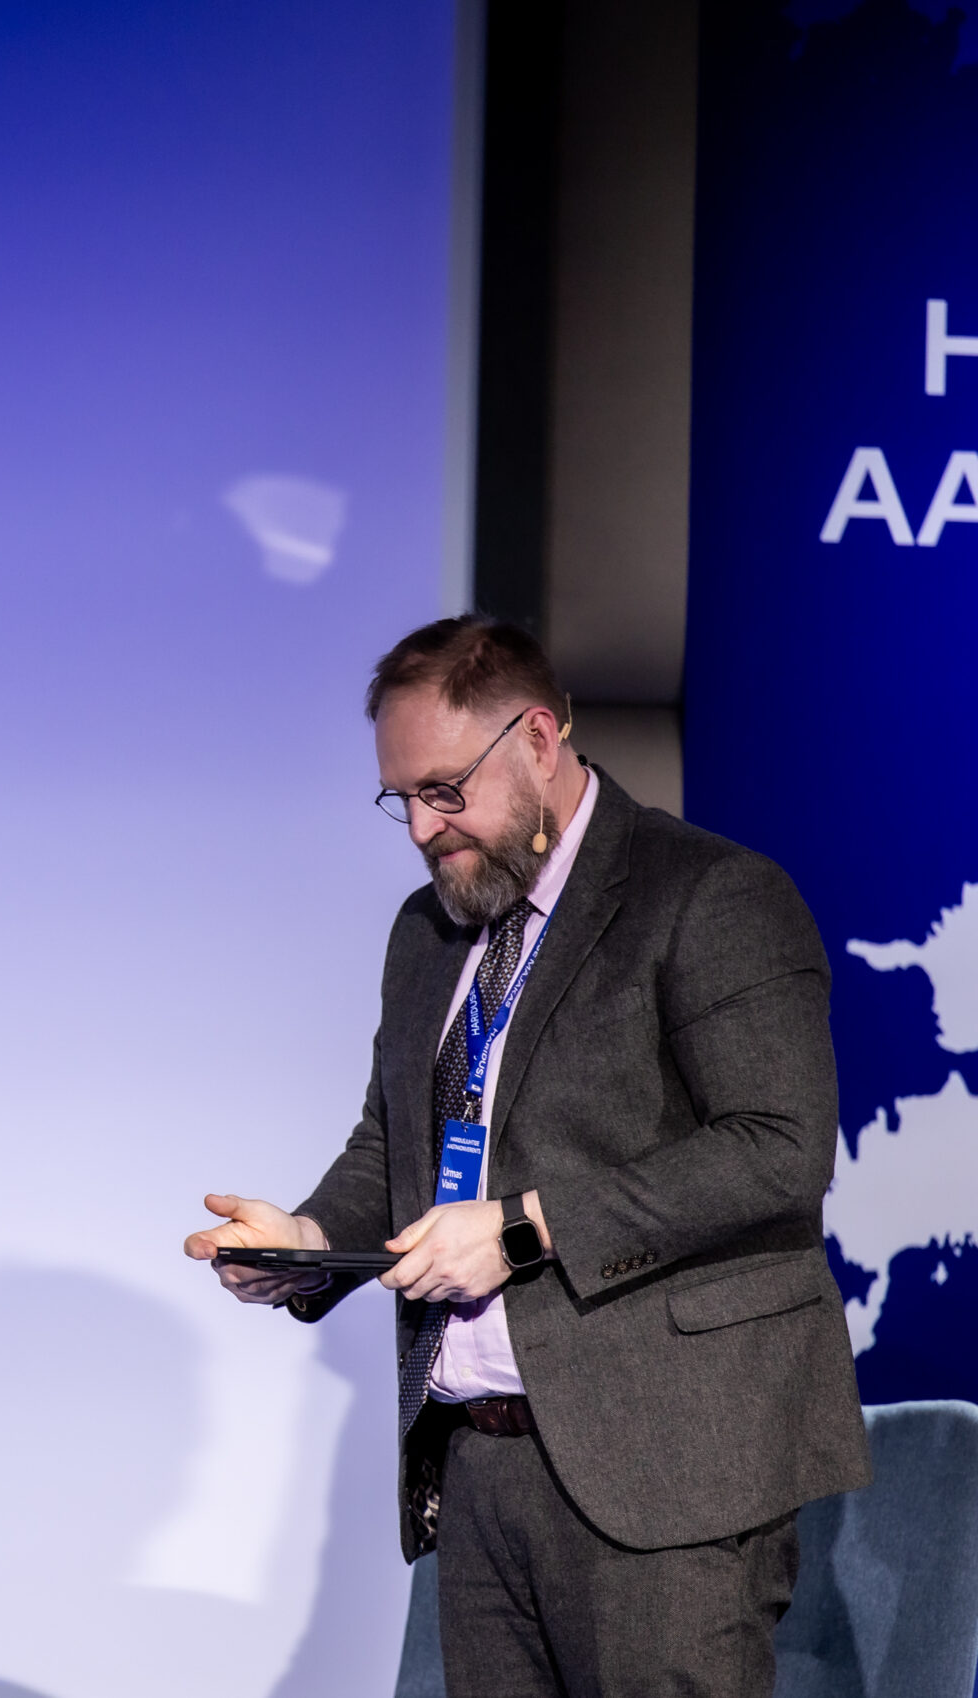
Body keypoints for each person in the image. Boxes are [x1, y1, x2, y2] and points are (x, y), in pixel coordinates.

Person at [185, 617, 869, 1698]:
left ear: (539, 739)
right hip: (476, 1464)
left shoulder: (708, 893)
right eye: (400, 798)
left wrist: (520, 1227)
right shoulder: (427, 932)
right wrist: (309, 1240)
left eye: (445, 789)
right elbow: (393, 1144)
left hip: (664, 1466)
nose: (422, 826)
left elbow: (777, 1147)